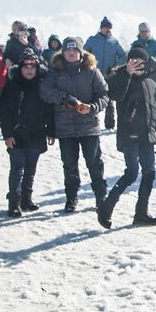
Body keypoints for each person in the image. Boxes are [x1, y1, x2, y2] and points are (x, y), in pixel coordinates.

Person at [99, 47, 156, 228]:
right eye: (134, 61)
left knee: (149, 173)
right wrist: (127, 73)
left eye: (141, 62)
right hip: (129, 135)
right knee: (132, 173)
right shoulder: (122, 78)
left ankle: (141, 213)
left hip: (147, 136)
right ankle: (106, 207)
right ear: (128, 62)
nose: (138, 65)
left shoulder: (151, 84)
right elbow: (114, 94)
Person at [40, 36, 110, 213]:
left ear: (81, 52)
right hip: (65, 128)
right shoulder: (55, 71)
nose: (71, 53)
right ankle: (71, 198)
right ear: (63, 53)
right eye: (67, 50)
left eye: (75, 50)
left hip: (89, 127)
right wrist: (64, 98)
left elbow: (104, 95)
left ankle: (101, 197)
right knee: (69, 165)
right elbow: (45, 91)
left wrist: (92, 108)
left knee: (94, 163)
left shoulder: (92, 70)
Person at [0, 48, 55, 217]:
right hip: (17, 134)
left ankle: (26, 199)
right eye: (25, 67)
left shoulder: (42, 85)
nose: (29, 70)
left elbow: (49, 109)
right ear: (20, 69)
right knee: (17, 169)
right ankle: (14, 202)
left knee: (31, 169)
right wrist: (7, 134)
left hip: (37, 133)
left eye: (32, 67)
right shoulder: (12, 85)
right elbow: (4, 111)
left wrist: (51, 130)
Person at [84, 17, 126, 130]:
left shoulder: (114, 42)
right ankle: (90, 123)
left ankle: (110, 125)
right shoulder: (92, 40)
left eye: (109, 28)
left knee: (109, 99)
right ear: (101, 28)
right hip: (93, 74)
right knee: (91, 98)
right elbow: (84, 54)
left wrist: (115, 68)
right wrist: (88, 66)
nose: (108, 29)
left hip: (109, 75)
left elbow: (123, 56)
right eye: (106, 27)